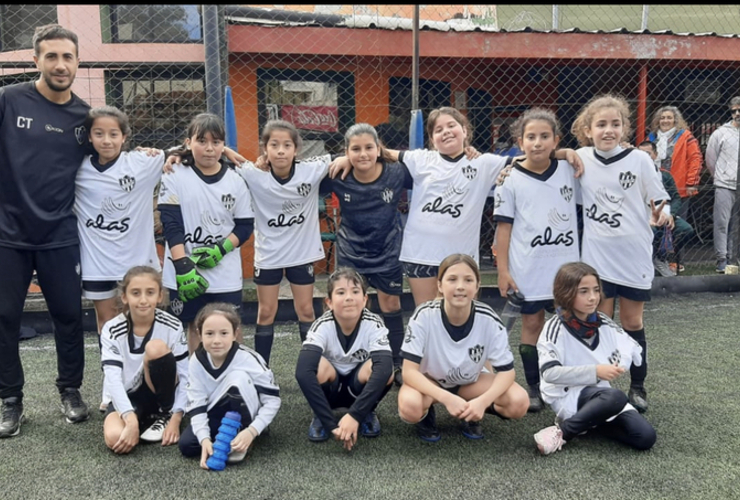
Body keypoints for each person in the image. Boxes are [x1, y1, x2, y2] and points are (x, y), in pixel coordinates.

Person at [330, 107, 582, 309]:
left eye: (452, 126)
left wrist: (564, 153)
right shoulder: (421, 159)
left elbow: (528, 158)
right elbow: (378, 151)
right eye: (438, 129)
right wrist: (345, 157)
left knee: (463, 315)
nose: (446, 132)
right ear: (431, 139)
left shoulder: (485, 163)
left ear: (465, 131)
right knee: (425, 315)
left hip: (461, 256)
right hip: (420, 254)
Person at [0, 24, 91, 438]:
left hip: (60, 234)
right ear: (35, 59)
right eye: (51, 56)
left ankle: (70, 390)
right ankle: (10, 400)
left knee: (69, 317)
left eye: (67, 57)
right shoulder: (9, 99)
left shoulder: (84, 118)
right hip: (7, 234)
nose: (59, 64)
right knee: (3, 317)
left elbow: (113, 155)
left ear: (77, 61)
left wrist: (165, 157)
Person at [571, 94, 673, 413]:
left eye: (615, 124)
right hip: (597, 261)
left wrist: (664, 212)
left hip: (634, 256)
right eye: (601, 124)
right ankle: (595, 386)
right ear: (588, 129)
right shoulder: (579, 158)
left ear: (625, 128)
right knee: (598, 322)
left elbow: (659, 198)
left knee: (631, 322)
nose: (608, 130)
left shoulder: (640, 160)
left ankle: (638, 386)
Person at [74, 106, 164, 410]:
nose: (106, 140)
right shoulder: (78, 169)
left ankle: (141, 379)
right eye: (99, 133)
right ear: (89, 137)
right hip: (98, 262)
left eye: (113, 134)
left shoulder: (143, 162)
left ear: (125, 137)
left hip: (136, 264)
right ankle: (111, 383)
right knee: (107, 323)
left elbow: (180, 154)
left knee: (142, 320)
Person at [493, 108, 580, 413]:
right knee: (531, 324)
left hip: (566, 271)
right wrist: (503, 271)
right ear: (520, 141)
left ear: (557, 140)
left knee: (570, 325)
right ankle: (534, 387)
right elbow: (503, 230)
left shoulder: (571, 170)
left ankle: (567, 384)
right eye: (531, 137)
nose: (538, 143)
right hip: (528, 269)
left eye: (545, 136)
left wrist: (570, 153)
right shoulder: (509, 179)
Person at [398, 254, 529, 442]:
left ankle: (470, 411)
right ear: (440, 285)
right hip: (432, 382)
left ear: (477, 286)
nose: (460, 286)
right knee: (410, 407)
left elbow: (507, 373)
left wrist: (482, 402)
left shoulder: (489, 319)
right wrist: (446, 398)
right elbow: (409, 372)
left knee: (518, 402)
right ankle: (427, 415)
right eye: (452, 279)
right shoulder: (424, 316)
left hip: (470, 383)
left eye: (468, 280)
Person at [321, 123, 412, 386]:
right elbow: (299, 171)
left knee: (391, 305)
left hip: (387, 251)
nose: (363, 154)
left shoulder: (396, 173)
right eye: (355, 149)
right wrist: (336, 159)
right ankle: (352, 360)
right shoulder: (338, 173)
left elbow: (431, 167)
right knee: (351, 308)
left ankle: (397, 361)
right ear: (347, 152)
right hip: (351, 254)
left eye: (369, 148)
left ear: (378, 148)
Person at [533, 262, 657, 455]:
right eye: (583, 291)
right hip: (568, 395)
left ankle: (590, 422)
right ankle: (562, 432)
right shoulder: (554, 328)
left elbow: (631, 346)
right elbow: (550, 373)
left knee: (645, 437)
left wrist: (621, 362)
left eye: (596, 290)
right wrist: (596, 371)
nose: (592, 298)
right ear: (566, 293)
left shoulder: (603, 321)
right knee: (615, 396)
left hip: (601, 395)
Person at [236, 120, 332, 365]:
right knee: (266, 312)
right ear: (265, 149)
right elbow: (227, 157)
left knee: (306, 311)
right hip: (269, 256)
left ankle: (312, 368)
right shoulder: (254, 174)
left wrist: (341, 159)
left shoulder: (311, 170)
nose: (280, 150)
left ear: (296, 149)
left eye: (287, 145)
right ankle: (262, 369)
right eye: (274, 145)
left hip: (302, 254)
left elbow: (343, 157)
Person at [158, 113, 255, 353]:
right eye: (202, 141)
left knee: (231, 327)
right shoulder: (175, 173)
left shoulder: (236, 180)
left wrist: (222, 248)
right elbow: (171, 223)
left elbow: (244, 226)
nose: (209, 148)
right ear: (188, 143)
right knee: (194, 327)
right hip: (185, 271)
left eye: (216, 142)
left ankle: (233, 382)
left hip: (225, 273)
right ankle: (196, 385)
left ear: (224, 145)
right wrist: (182, 265)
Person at [295, 267, 394, 449]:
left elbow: (385, 368)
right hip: (331, 391)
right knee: (316, 366)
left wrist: (355, 414)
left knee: (384, 371)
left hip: (358, 390)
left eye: (355, 292)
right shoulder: (322, 326)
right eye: (341, 292)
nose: (349, 297)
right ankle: (321, 415)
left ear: (364, 300)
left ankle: (367, 412)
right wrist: (330, 423)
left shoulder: (373, 323)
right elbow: (303, 372)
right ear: (329, 302)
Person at [179, 302, 280, 469]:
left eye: (224, 333)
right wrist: (204, 440)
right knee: (187, 445)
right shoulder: (196, 361)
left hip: (246, 413)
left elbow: (273, 401)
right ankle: (225, 438)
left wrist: (252, 431)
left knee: (237, 380)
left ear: (235, 334)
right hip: (217, 411)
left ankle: (244, 434)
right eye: (209, 333)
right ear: (200, 334)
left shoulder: (248, 359)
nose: (216, 340)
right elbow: (197, 404)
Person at [101, 266, 188, 454]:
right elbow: (113, 379)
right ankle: (141, 420)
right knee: (116, 439)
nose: (142, 300)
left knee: (156, 348)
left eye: (150, 293)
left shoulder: (173, 326)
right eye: (135, 293)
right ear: (124, 297)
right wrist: (129, 419)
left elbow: (186, 375)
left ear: (159, 296)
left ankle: (164, 414)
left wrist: (176, 418)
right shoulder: (111, 329)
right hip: (129, 397)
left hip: (161, 395)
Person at [638, 140, 695, 276]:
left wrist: (671, 215)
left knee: (686, 229)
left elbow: (675, 197)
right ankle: (646, 260)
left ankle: (661, 257)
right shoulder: (634, 175)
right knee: (653, 230)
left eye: (648, 153)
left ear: (655, 155)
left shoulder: (665, 176)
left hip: (666, 213)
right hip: (644, 215)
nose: (644, 157)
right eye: (640, 153)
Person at [647, 106, 703, 221]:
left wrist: (691, 182)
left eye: (669, 118)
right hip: (654, 185)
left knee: (677, 220)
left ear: (675, 120)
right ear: (658, 120)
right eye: (662, 118)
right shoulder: (651, 137)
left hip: (678, 186)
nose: (665, 121)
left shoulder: (685, 136)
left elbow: (695, 159)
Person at [705, 97, 740, 273]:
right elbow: (710, 159)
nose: (737, 114)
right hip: (725, 184)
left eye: (739, 110)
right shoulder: (720, 133)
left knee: (737, 224)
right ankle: (722, 259)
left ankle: (735, 258)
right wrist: (719, 176)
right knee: (722, 223)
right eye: (734, 111)